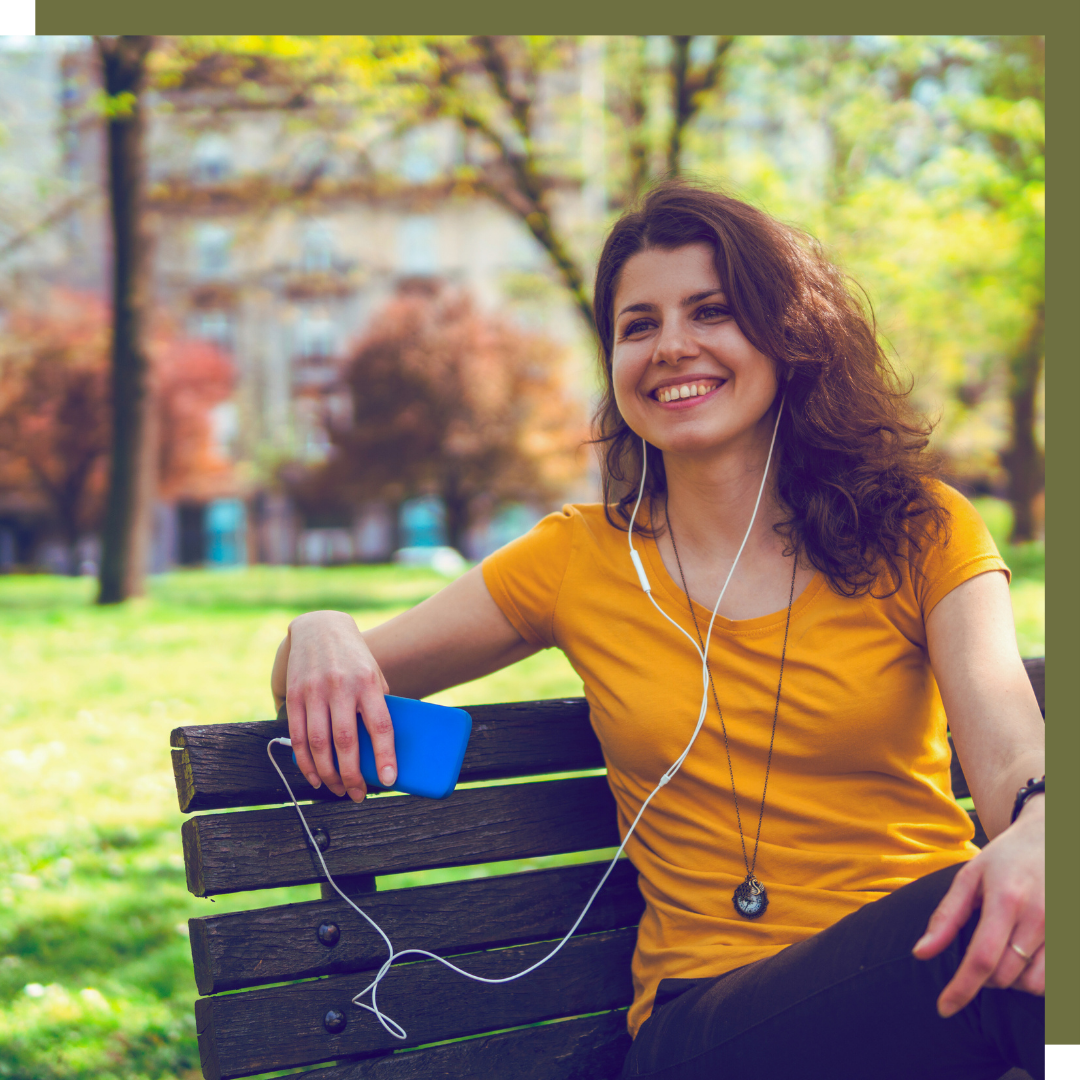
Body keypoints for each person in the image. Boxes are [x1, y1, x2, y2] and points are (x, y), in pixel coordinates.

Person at [270, 181, 1044, 1080]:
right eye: (638, 325)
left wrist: (1040, 828)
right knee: (1000, 951)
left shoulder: (920, 526)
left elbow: (1006, 743)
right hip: (711, 1025)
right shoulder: (578, 559)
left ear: (789, 334)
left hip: (929, 980)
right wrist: (319, 628)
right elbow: (327, 672)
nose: (671, 345)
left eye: (711, 311)